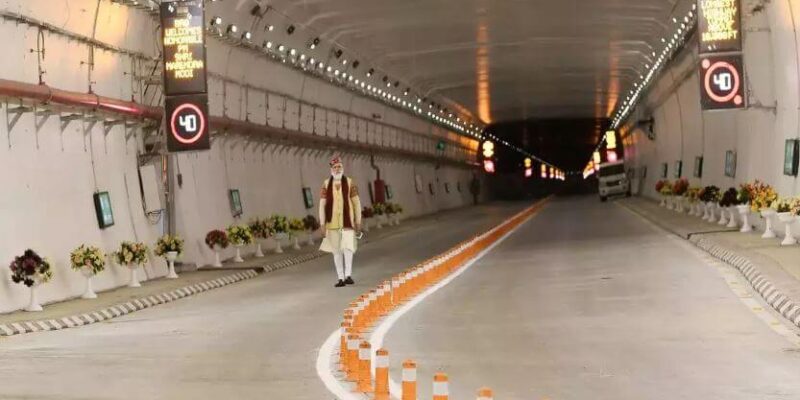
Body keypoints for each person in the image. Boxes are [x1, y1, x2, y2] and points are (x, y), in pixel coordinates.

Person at [318, 156, 362, 287]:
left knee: (348, 248)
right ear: (331, 169)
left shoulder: (349, 182)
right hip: (332, 224)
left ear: (342, 168)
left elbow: (356, 203)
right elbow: (322, 205)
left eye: (339, 167)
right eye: (335, 167)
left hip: (348, 222)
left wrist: (358, 220)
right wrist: (322, 223)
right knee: (336, 251)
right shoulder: (326, 184)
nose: (337, 169)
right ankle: (340, 277)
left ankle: (348, 275)